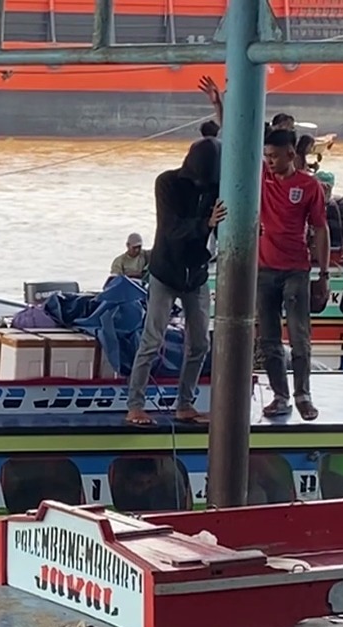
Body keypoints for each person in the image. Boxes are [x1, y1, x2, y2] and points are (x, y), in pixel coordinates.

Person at [124, 137, 226, 428]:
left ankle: (185, 404)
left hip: (196, 274)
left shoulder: (216, 187)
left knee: (199, 344)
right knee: (151, 340)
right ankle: (135, 406)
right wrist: (205, 223)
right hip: (165, 272)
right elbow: (170, 228)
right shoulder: (166, 183)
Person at [258, 128, 330, 420]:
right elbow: (237, 142)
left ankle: (303, 395)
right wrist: (221, 108)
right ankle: (280, 395)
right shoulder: (262, 177)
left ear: (291, 155)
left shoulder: (309, 186)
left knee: (300, 336)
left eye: (275, 156)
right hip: (263, 270)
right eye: (266, 156)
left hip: (296, 270)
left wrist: (324, 274)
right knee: (269, 339)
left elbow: (320, 228)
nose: (270, 161)